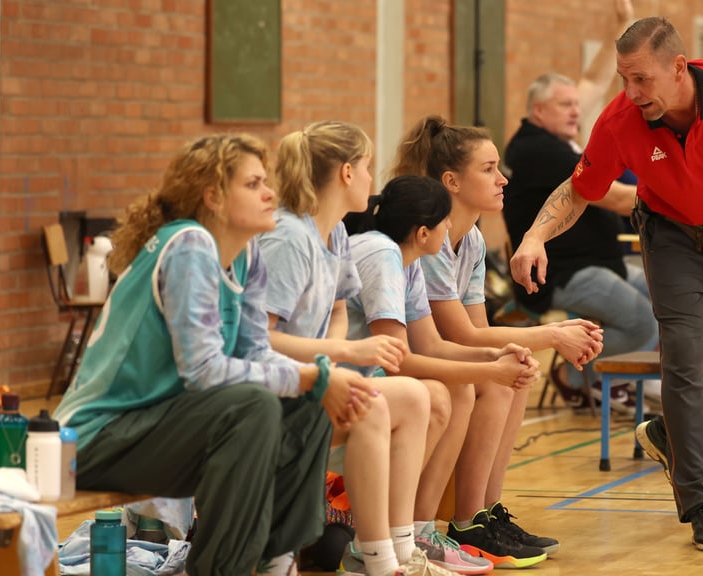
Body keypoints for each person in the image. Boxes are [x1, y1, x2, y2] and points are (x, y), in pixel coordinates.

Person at [510, 17, 703, 551]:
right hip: (672, 241)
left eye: (642, 79)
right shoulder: (622, 119)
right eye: (624, 79)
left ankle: (671, 435)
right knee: (682, 360)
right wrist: (533, 236)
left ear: (679, 67)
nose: (631, 93)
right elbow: (579, 190)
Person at [52, 134, 377, 576]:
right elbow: (204, 371)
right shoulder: (189, 244)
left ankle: (274, 560)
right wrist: (314, 377)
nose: (270, 193)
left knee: (307, 403)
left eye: (267, 181)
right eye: (253, 184)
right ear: (214, 196)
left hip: (155, 428)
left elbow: (257, 354)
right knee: (256, 404)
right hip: (90, 441)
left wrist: (319, 381)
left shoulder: (246, 257)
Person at [392, 115, 605, 558]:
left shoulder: (468, 237)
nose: (502, 179)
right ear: (451, 181)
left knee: (515, 374)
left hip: (434, 351)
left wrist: (545, 337)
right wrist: (549, 336)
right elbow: (457, 335)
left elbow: (479, 332)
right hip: (405, 357)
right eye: (488, 169)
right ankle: (467, 520)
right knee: (492, 379)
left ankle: (486, 511)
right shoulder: (430, 235)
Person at [258, 121, 464, 576]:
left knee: (412, 397)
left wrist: (334, 353)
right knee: (374, 403)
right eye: (368, 167)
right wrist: (347, 356)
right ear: (347, 173)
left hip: (311, 380)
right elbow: (259, 337)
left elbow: (335, 310)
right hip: (268, 388)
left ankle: (397, 548)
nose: (374, 180)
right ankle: (377, 560)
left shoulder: (332, 235)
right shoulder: (289, 238)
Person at [343, 175, 545, 570]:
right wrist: (492, 369)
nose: (450, 227)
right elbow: (396, 360)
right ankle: (396, 535)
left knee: (461, 386)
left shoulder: (408, 259)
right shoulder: (382, 254)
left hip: (367, 377)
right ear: (423, 232)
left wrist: (494, 354)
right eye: (444, 221)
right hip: (344, 380)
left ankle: (419, 531)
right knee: (444, 392)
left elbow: (432, 346)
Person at [502, 0, 658, 406]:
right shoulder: (540, 151)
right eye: (565, 106)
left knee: (664, 295)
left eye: (575, 105)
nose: (576, 110)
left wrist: (623, 26)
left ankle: (638, 377)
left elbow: (592, 79)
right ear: (539, 111)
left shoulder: (558, 135)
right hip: (565, 273)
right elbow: (617, 198)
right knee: (642, 322)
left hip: (599, 260)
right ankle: (576, 373)